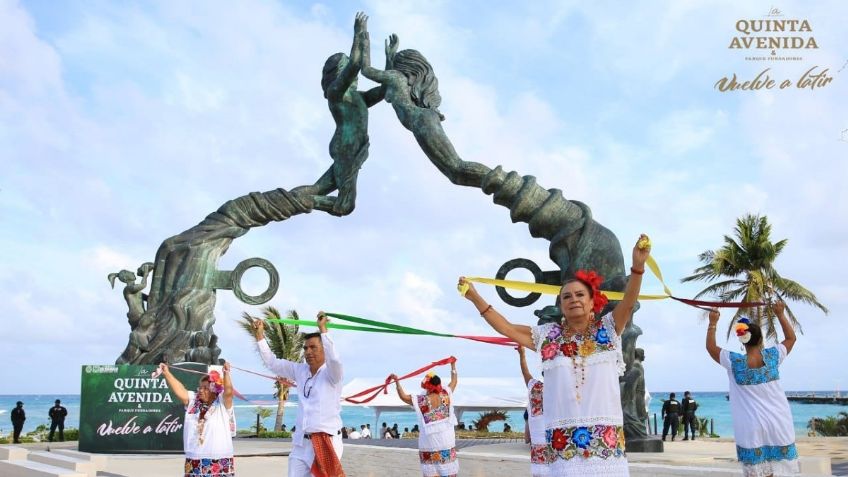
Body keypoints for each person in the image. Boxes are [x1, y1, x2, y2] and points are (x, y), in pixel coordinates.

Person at [459, 235, 651, 476]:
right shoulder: (548, 336)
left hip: (605, 447)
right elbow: (506, 328)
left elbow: (629, 299)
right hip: (563, 446)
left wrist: (638, 266)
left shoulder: (608, 330)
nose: (573, 300)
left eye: (580, 295)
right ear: (560, 305)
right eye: (566, 297)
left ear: (593, 302)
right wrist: (475, 297)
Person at [357, 29, 491, 188]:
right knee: (455, 174)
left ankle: (505, 184)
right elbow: (385, 84)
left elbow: (366, 71)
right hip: (422, 121)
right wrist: (389, 57)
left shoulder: (396, 78)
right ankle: (500, 187)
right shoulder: (397, 80)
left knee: (457, 167)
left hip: (422, 120)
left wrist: (363, 41)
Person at [292, 12, 386, 217]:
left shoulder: (358, 97)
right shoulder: (336, 93)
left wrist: (389, 60)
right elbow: (355, 64)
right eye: (344, 70)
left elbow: (385, 89)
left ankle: (290, 200)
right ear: (338, 72)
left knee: (317, 189)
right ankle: (301, 202)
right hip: (345, 147)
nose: (351, 75)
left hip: (351, 149)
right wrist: (359, 33)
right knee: (345, 204)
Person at [706, 303, 799, 477]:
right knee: (778, 470)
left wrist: (712, 323)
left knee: (757, 473)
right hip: (778, 423)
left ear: (743, 341)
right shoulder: (773, 356)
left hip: (750, 426)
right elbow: (791, 338)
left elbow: (711, 348)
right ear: (761, 340)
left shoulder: (733, 361)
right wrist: (780, 314)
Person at [253, 311, 345, 477]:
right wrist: (260, 337)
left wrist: (323, 330)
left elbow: (335, 360)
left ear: (324, 349)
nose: (308, 352)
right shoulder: (300, 370)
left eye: (313, 347)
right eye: (305, 348)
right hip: (301, 443)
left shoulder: (333, 374)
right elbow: (273, 363)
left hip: (326, 442)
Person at [159, 362, 236, 477]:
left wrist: (226, 374)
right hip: (194, 458)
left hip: (219, 459)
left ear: (214, 390)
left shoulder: (222, 403)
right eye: (200, 387)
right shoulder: (193, 401)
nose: (200, 390)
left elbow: (229, 392)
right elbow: (180, 390)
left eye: (205, 388)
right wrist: (166, 373)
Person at [389, 360, 459, 477]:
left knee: (431, 470)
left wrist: (397, 382)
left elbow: (403, 397)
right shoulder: (446, 394)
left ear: (428, 386)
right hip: (446, 440)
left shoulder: (423, 400)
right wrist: (453, 364)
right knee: (448, 471)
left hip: (430, 442)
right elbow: (454, 380)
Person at [518, 345, 550, 476]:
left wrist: (522, 355)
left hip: (538, 441)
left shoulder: (535, 387)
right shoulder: (562, 389)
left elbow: (525, 372)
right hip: (556, 438)